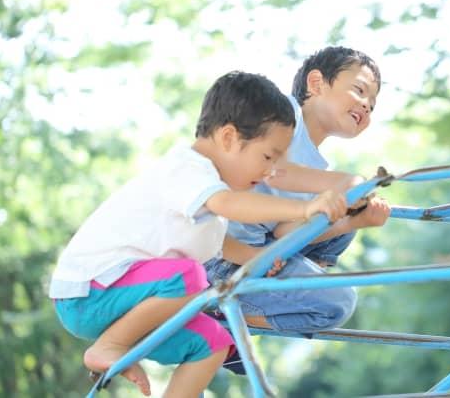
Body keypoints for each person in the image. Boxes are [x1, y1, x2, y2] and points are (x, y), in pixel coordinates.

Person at [49, 71, 347, 397]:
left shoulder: (209, 203)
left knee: (214, 343)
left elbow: (220, 246)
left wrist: (258, 257)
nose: (269, 171)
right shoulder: (188, 169)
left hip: (130, 307)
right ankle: (108, 347)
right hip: (88, 294)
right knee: (190, 276)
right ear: (229, 137)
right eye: (267, 156)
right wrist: (304, 209)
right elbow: (230, 204)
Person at [205, 46, 390, 341]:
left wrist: (353, 221)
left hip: (262, 250)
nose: (367, 105)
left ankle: (298, 282)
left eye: (373, 104)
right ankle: (218, 317)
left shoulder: (317, 165)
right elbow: (278, 170)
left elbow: (284, 231)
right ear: (316, 84)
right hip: (221, 257)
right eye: (360, 90)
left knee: (344, 210)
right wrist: (344, 182)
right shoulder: (283, 114)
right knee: (337, 302)